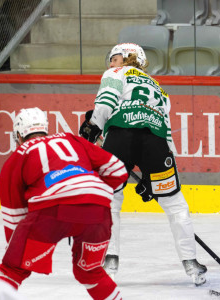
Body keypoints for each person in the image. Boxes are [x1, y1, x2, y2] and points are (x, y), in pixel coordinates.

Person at [79, 43, 207, 286]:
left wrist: (93, 126)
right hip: (156, 144)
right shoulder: (158, 88)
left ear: (128, 57)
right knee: (175, 204)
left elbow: (105, 102)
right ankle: (191, 263)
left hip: (120, 138)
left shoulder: (116, 74)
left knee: (110, 199)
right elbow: (167, 132)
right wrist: (157, 175)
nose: (110, 63)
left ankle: (109, 260)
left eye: (114, 57)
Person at [0, 107, 128, 300]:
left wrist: (17, 253)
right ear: (45, 128)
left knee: (12, 270)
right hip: (96, 209)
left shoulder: (17, 157)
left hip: (50, 210)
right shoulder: (72, 139)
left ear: (18, 134)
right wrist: (87, 194)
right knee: (90, 272)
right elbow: (117, 170)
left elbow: (14, 214)